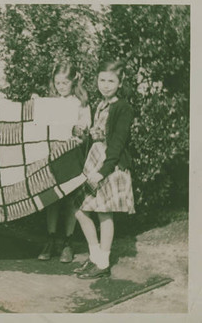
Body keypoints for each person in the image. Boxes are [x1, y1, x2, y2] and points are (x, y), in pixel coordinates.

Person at [73, 59, 135, 279]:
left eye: (111, 81)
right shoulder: (100, 104)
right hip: (94, 162)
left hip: (110, 165)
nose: (106, 85)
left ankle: (103, 263)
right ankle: (95, 256)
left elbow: (117, 143)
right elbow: (97, 136)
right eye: (102, 80)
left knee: (103, 213)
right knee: (79, 210)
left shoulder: (123, 107)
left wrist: (103, 171)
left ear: (120, 83)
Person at [35, 62, 91, 263]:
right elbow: (40, 126)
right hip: (53, 154)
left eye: (65, 83)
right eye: (57, 83)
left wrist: (79, 131)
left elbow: (85, 132)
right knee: (52, 199)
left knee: (69, 200)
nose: (61, 86)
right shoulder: (50, 103)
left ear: (73, 81)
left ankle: (67, 242)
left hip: (72, 155)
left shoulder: (81, 104)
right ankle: (50, 240)